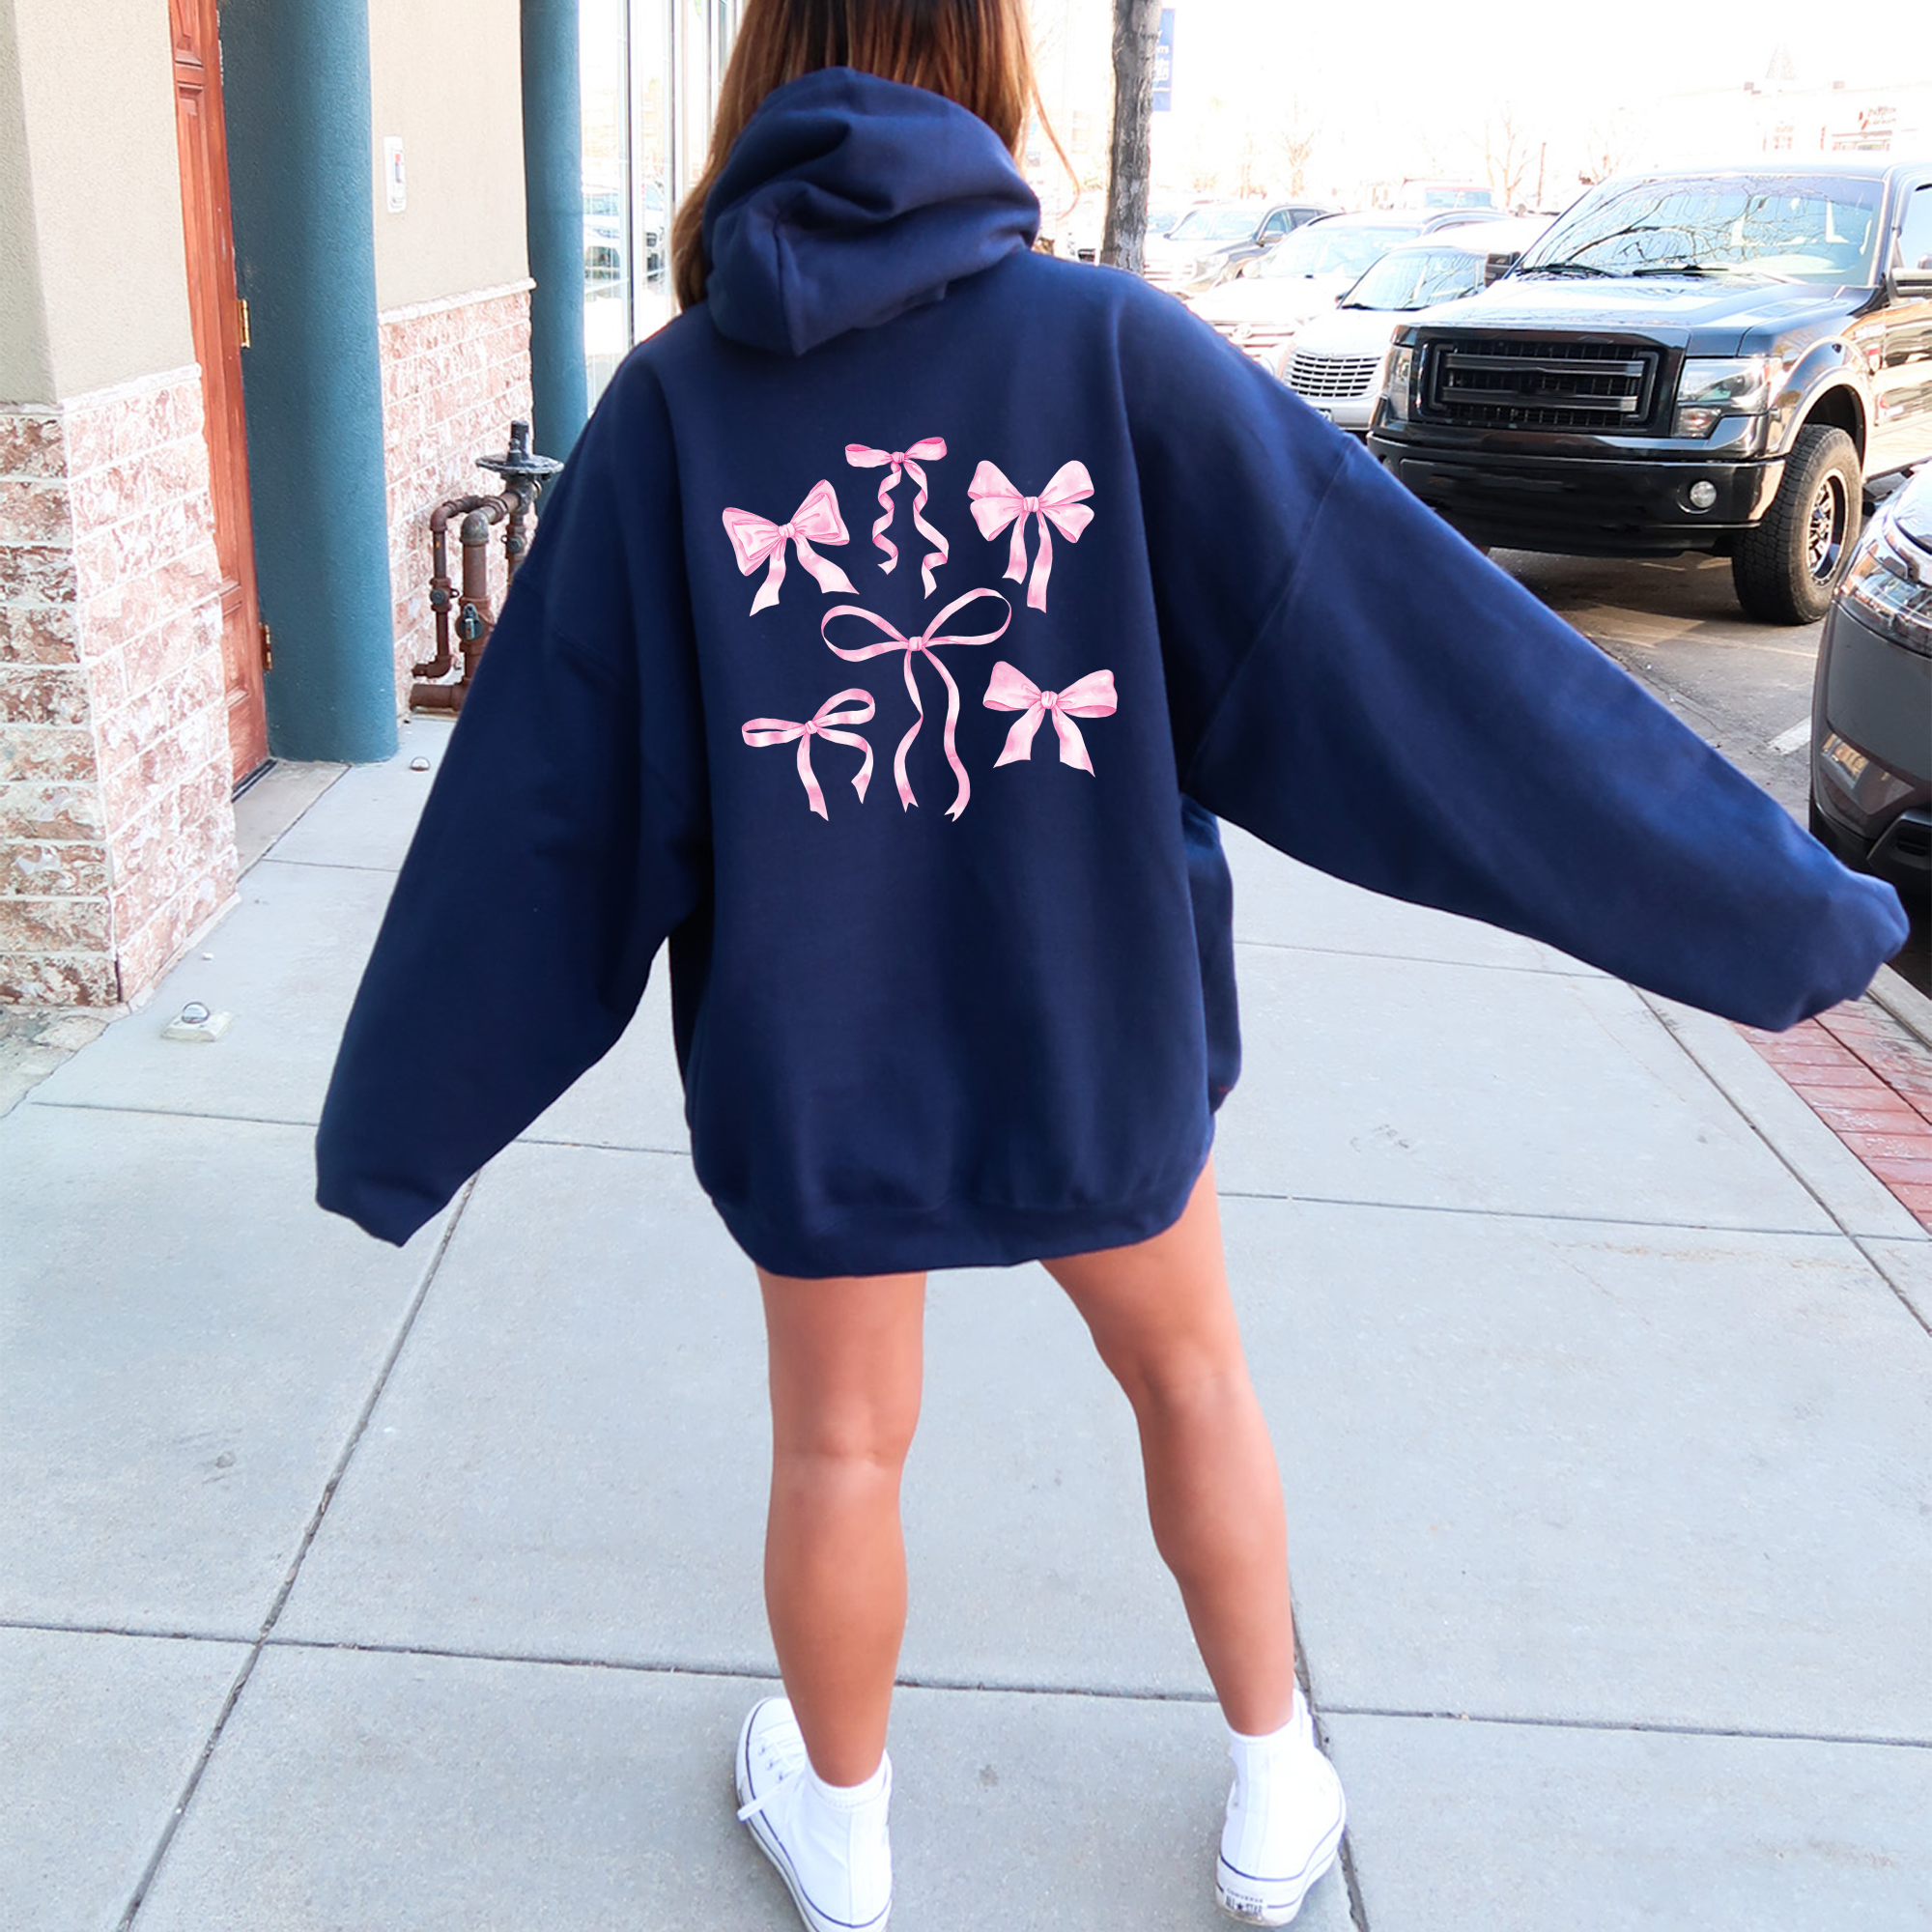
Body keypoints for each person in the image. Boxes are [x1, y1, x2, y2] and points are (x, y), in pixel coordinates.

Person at [314, 4, 1909, 1925]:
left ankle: (845, 1831)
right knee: (1192, 1377)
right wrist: (1772, 901)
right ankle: (1275, 1785)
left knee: (838, 1446)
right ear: (993, 68)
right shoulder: (1111, 352)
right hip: (1097, 1028)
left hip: (822, 1053)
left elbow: (546, 811)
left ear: (760, 70)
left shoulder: (671, 409)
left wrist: (399, 1118)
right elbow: (1431, 668)